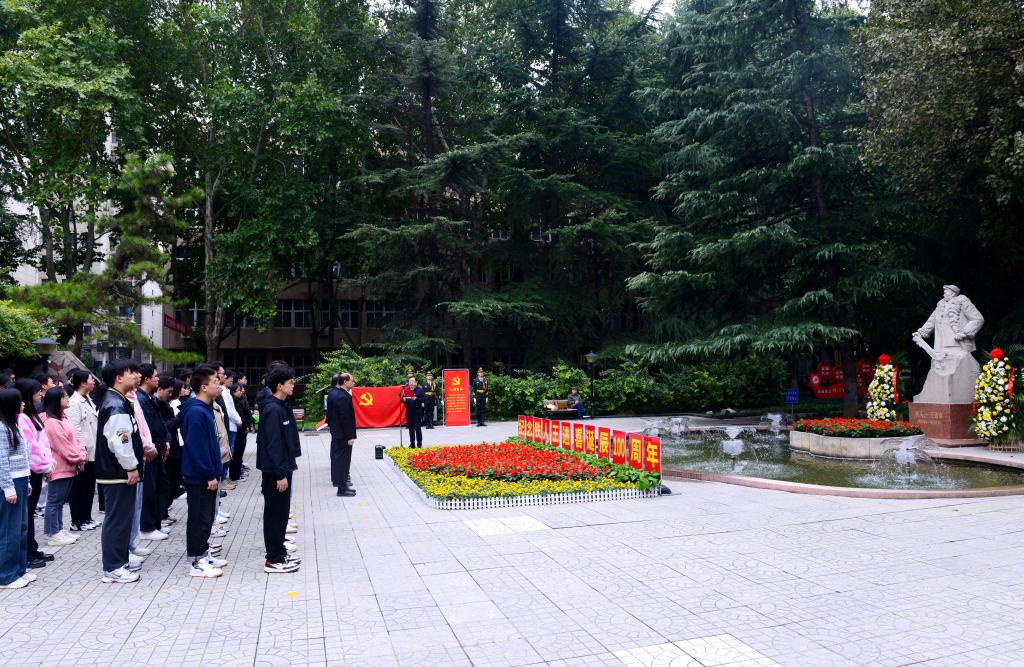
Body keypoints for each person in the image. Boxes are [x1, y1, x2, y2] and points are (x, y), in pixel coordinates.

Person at [95, 359, 144, 583]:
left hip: (117, 472)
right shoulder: (115, 404)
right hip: (117, 473)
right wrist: (131, 466)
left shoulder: (117, 399)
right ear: (118, 378)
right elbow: (121, 441)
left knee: (122, 519)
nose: (136, 376)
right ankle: (113, 567)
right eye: (131, 372)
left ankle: (120, 560)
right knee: (117, 520)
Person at [179, 366, 226, 578]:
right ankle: (196, 561)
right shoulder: (196, 412)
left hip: (207, 473)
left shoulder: (205, 408)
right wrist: (209, 474)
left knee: (206, 519)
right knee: (199, 519)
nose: (219, 384)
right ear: (204, 387)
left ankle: (204, 554)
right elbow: (197, 447)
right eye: (215, 381)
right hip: (199, 476)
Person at [256, 366, 300, 573]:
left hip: (283, 467)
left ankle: (279, 553)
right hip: (276, 471)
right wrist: (280, 474)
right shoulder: (272, 409)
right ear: (280, 386)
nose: (293, 385)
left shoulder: (282, 405)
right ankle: (273, 560)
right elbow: (273, 444)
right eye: (290, 382)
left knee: (281, 514)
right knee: (274, 515)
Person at [40, 387, 87, 547]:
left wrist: (81, 454)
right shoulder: (51, 422)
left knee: (59, 501)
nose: (68, 399)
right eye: (64, 397)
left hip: (69, 466)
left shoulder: (62, 418)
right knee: (54, 501)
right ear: (55, 401)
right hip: (59, 467)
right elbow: (63, 446)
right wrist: (80, 458)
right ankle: (53, 533)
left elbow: (75, 440)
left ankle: (59, 528)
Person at [15, 379, 54, 569]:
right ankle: (27, 553)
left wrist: (48, 464)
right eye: (37, 391)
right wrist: (46, 465)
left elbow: (43, 443)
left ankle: (31, 548)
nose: (40, 394)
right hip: (31, 469)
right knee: (26, 514)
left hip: (39, 468)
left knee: (29, 515)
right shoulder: (22, 418)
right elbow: (31, 448)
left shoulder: (32, 414)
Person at [0, 388, 32, 589]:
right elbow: (2, 459)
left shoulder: (14, 425)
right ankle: (6, 574)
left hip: (20, 479)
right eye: (19, 401)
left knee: (21, 527)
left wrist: (26, 481)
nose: (23, 404)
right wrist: (8, 487)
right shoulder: (2, 428)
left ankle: (19, 569)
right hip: (10, 482)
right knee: (9, 529)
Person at [136, 364, 170, 543]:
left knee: (160, 487)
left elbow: (160, 423)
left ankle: (155, 523)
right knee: (150, 490)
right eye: (155, 376)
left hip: (158, 449)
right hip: (150, 452)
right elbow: (148, 428)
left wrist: (166, 443)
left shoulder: (148, 397)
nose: (158, 378)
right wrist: (160, 445)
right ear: (147, 379)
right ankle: (147, 527)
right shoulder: (140, 399)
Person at [66, 370, 101, 532]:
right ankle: (77, 520)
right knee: (80, 487)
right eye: (91, 379)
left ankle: (86, 517)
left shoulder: (88, 399)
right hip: (83, 451)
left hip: (92, 450)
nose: (94, 382)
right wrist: (82, 451)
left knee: (88, 487)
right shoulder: (74, 402)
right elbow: (75, 429)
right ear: (82, 383)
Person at [329, 373, 357, 497]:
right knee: (343, 461)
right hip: (343, 436)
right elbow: (345, 419)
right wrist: (350, 437)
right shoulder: (342, 397)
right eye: (352, 380)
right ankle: (342, 488)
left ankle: (344, 486)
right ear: (345, 382)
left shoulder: (340, 394)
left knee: (343, 461)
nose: (353, 383)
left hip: (339, 434)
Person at [228, 383, 251, 482]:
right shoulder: (233, 402)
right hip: (239, 430)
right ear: (233, 392)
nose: (241, 392)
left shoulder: (241, 400)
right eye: (239, 390)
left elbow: (246, 414)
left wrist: (248, 426)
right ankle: (234, 476)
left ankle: (237, 474)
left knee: (240, 453)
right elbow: (239, 416)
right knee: (236, 453)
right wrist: (245, 426)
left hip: (243, 429)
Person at [401, 376, 425, 448]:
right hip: (409, 411)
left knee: (417, 428)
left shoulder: (420, 390)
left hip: (417, 411)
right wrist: (403, 399)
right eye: (410, 382)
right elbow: (401, 399)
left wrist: (416, 398)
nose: (411, 383)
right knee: (410, 429)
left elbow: (424, 399)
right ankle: (412, 443)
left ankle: (419, 443)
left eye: (412, 381)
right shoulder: (406, 390)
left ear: (416, 382)